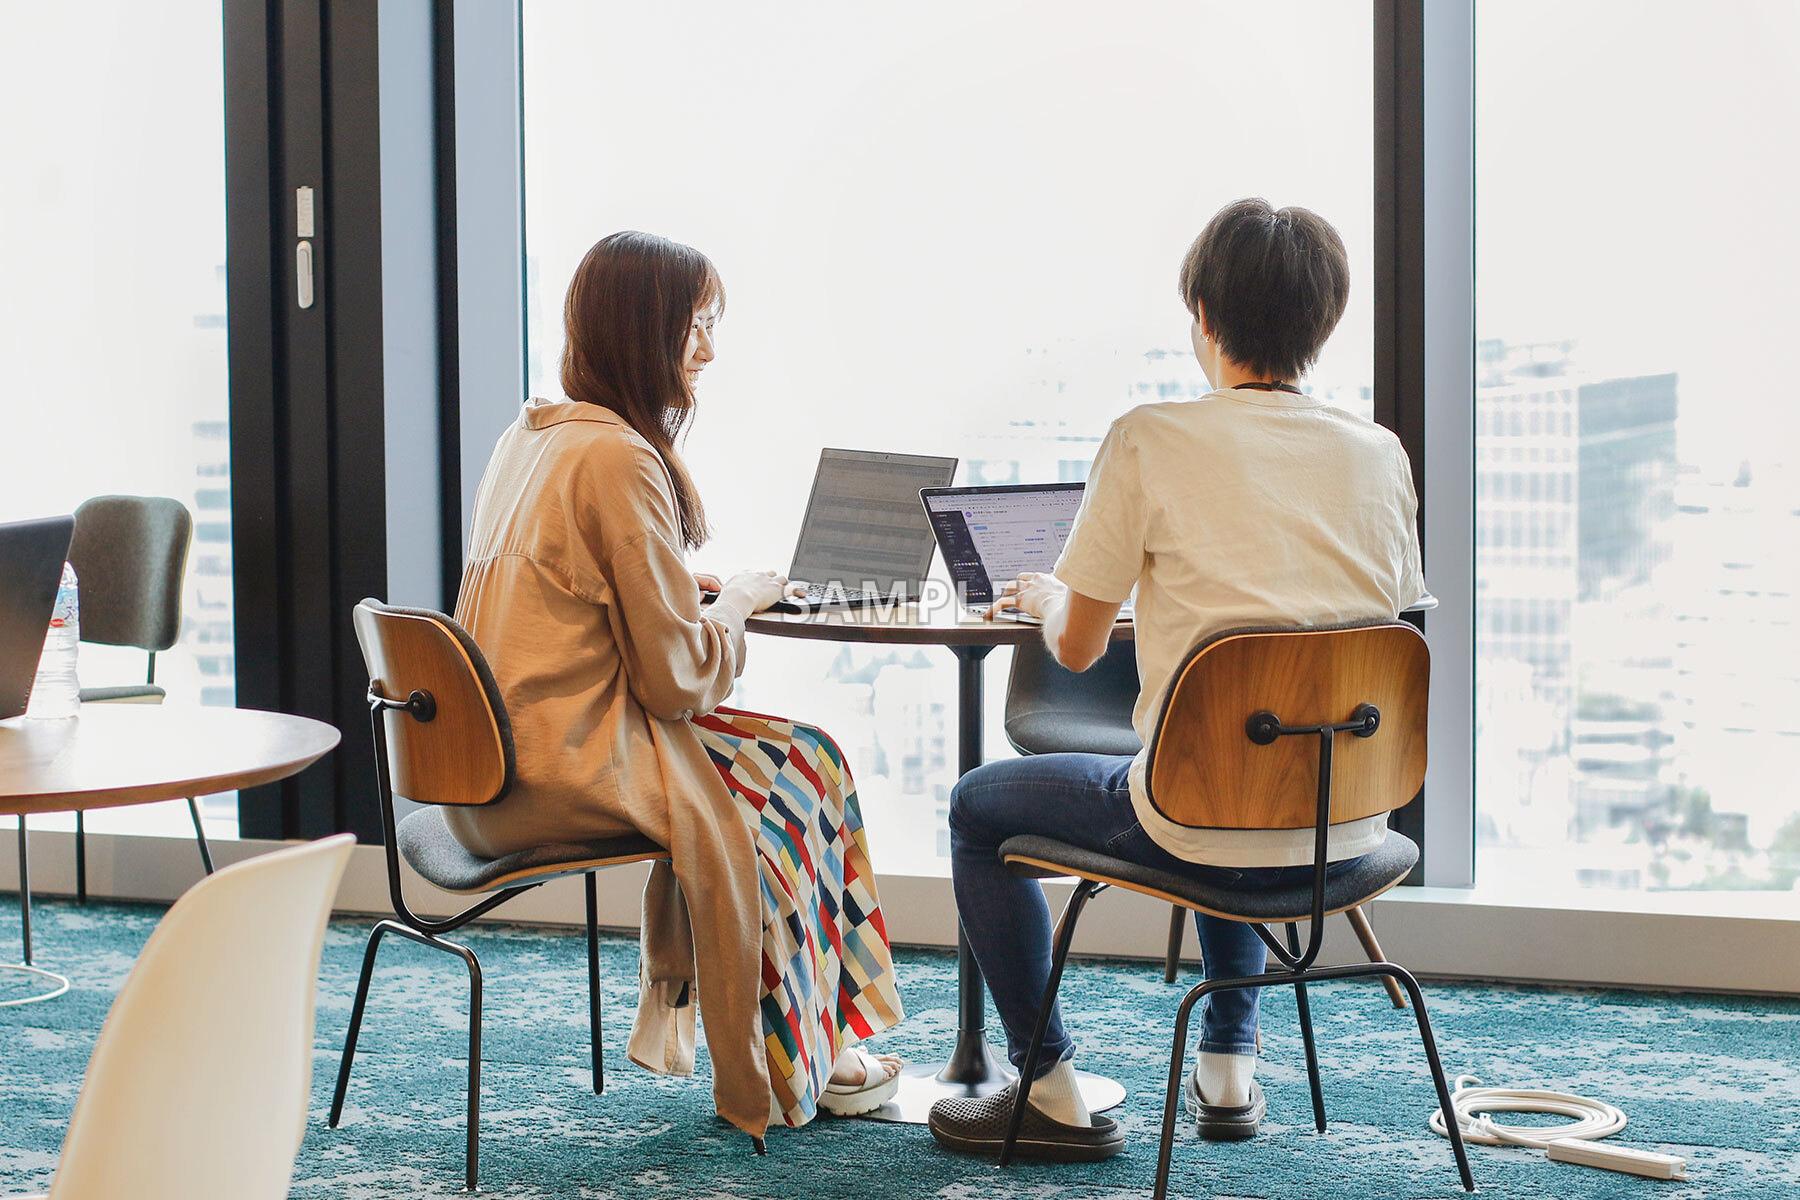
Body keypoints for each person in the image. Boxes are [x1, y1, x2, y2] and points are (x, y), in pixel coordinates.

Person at [928, 199, 1425, 1160]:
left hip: (1200, 816)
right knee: (1236, 753)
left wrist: (1052, 596)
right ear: (1327, 320)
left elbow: (1076, 650)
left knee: (977, 809)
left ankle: (1048, 1089)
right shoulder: (1379, 453)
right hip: (1349, 818)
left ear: (1202, 312)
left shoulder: (1149, 439)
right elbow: (1383, 620)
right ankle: (1228, 1069)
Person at [446, 231, 904, 1138]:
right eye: (695, 325)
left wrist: (674, 587)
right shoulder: (619, 459)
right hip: (560, 769)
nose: (706, 350)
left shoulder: (534, 437)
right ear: (642, 331)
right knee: (798, 777)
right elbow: (679, 682)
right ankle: (800, 1062)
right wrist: (735, 603)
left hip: (489, 763)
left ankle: (820, 1043)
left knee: (800, 762)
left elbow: (565, 593)